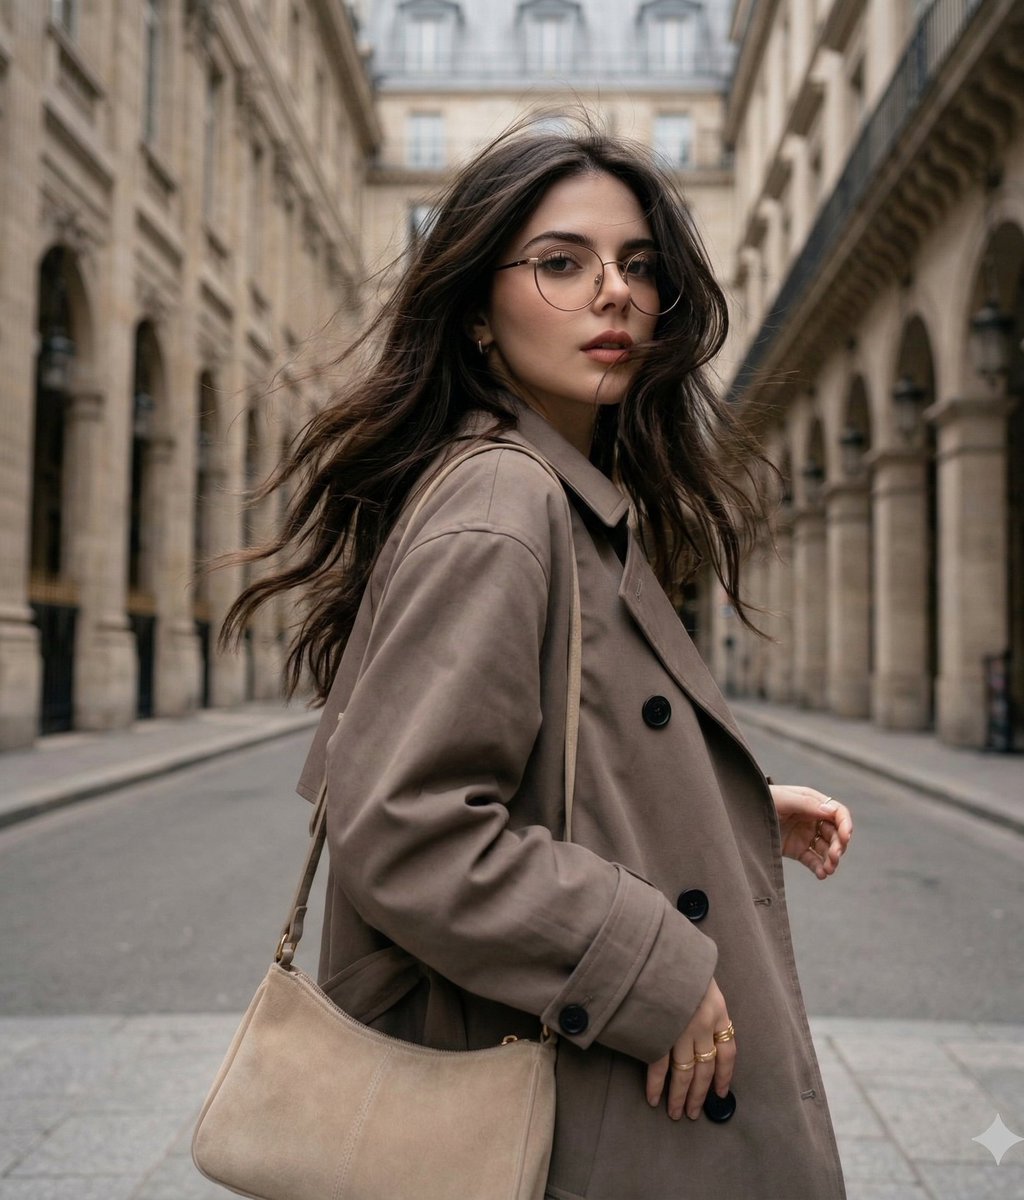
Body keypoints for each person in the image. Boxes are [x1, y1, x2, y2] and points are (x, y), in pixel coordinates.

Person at [222, 118, 853, 1199]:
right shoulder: (505, 499)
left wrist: (718, 802)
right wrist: (646, 967)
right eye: (561, 263)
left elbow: (554, 753)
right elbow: (411, 827)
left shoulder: (552, 492)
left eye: (638, 266)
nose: (615, 292)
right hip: (568, 1120)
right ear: (475, 313)